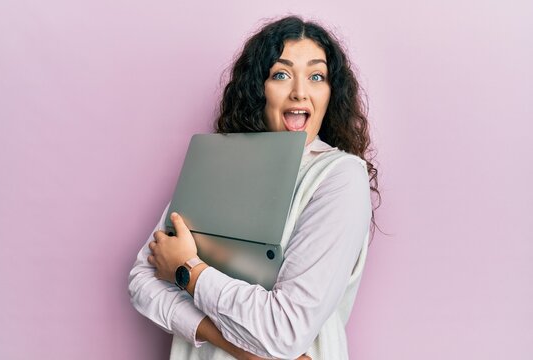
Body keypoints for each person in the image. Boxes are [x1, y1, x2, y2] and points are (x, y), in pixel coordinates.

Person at [128, 15, 380, 360]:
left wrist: (187, 271)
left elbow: (285, 330)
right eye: (281, 74)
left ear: (331, 93)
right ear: (258, 87)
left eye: (316, 76)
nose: (300, 92)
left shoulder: (339, 177)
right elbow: (143, 279)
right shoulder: (217, 164)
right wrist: (238, 348)